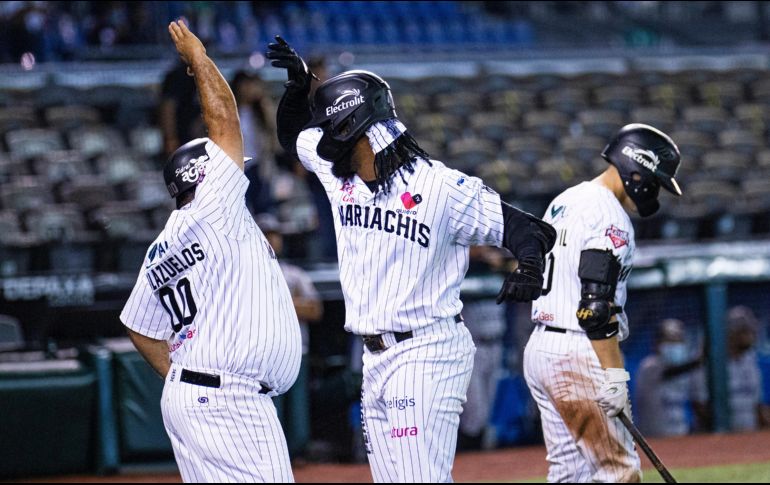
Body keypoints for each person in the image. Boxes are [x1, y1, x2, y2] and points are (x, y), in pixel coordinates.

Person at [267, 36, 556, 483]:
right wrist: (297, 88)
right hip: (375, 356)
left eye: (333, 129)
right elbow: (293, 137)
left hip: (427, 351)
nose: (325, 141)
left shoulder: (439, 186)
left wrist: (531, 267)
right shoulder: (338, 174)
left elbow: (528, 229)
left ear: (354, 128)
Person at [120, 20, 301, 483]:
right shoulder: (213, 208)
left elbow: (138, 328)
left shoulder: (162, 243)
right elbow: (223, 120)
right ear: (204, 178)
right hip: (231, 402)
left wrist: (185, 374)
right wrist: (199, 60)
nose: (236, 169)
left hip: (191, 399)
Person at [522, 123, 683, 482]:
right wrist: (614, 377)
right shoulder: (610, 216)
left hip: (542, 348)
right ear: (636, 169)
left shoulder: (567, 199)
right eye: (655, 181)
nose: (654, 191)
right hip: (578, 353)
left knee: (570, 473)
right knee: (619, 472)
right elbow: (594, 308)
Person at [255, 213, 323, 460]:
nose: (270, 239)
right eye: (265, 234)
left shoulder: (293, 273)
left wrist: (278, 301)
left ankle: (298, 456)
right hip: (257, 355)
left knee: (296, 416)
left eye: (273, 234)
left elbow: (315, 310)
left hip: (296, 352)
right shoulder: (244, 272)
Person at [458, 245, 509, 451]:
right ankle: (469, 457)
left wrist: (496, 259)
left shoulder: (500, 270)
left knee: (486, 410)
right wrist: (481, 255)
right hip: (473, 346)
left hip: (495, 343)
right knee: (474, 413)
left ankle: (479, 460)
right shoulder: (461, 268)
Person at [692, 305, 770, 432]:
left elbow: (758, 405)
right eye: (745, 331)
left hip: (748, 435)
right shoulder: (709, 363)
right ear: (731, 334)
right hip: (716, 437)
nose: (751, 335)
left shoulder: (750, 361)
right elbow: (699, 406)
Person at [634, 318, 701, 438]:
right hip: (655, 440)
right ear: (657, 344)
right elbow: (670, 372)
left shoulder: (687, 373)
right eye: (670, 341)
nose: (675, 345)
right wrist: (698, 360)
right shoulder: (649, 366)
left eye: (678, 341)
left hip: (681, 436)